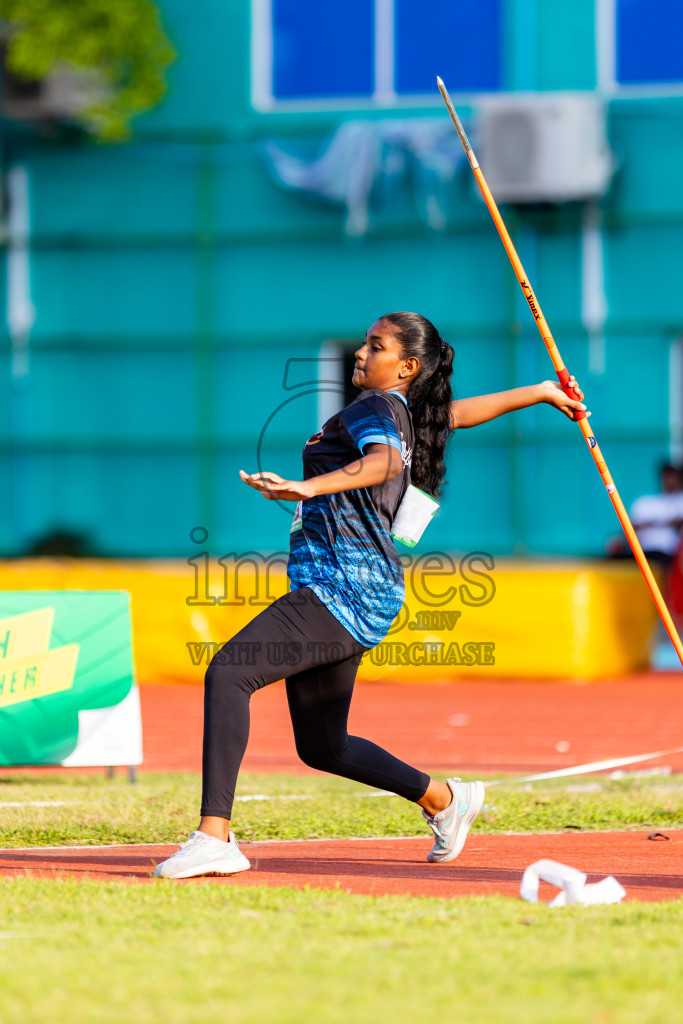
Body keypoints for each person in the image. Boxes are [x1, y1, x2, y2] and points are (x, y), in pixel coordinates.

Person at [154, 311, 588, 879]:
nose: (360, 352)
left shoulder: (376, 412)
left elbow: (381, 463)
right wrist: (537, 392)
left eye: (375, 346)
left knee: (231, 672)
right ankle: (445, 800)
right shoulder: (404, 413)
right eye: (363, 342)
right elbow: (453, 416)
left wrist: (306, 485)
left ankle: (214, 838)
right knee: (323, 748)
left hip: (344, 587)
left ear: (406, 366)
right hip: (360, 588)